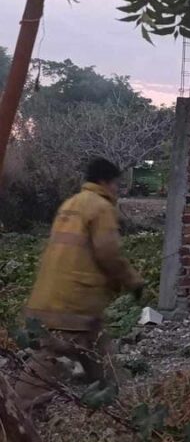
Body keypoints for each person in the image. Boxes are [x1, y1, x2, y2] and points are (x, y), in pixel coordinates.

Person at [14, 158, 144, 412]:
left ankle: (122, 407)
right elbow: (108, 253)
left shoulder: (70, 204)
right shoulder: (100, 207)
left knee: (99, 354)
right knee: (51, 359)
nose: (118, 189)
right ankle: (14, 415)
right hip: (73, 305)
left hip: (53, 297)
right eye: (117, 183)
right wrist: (132, 281)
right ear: (106, 181)